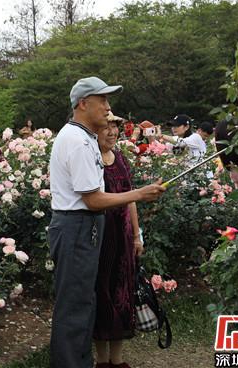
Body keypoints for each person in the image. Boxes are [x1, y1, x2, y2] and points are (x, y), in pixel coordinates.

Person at [48, 76, 166, 368]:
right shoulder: (77, 141)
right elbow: (92, 199)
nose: (107, 107)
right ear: (83, 104)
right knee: (74, 309)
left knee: (82, 305)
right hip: (76, 227)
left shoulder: (84, 137)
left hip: (81, 227)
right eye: (102, 100)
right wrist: (139, 194)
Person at [94, 112, 143, 368]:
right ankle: (102, 360)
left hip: (123, 236)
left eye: (115, 127)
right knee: (102, 292)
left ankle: (118, 359)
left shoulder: (120, 158)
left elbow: (130, 197)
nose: (112, 132)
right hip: (101, 237)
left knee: (122, 292)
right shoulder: (91, 159)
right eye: (107, 127)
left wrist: (136, 235)